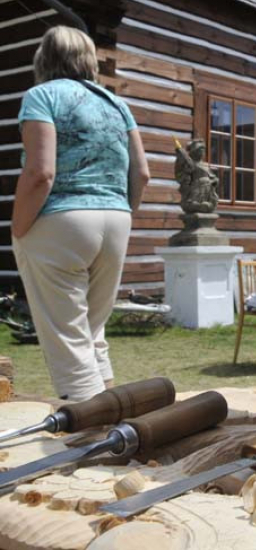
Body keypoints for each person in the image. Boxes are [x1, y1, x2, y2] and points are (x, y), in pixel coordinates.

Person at [12, 25, 151, 401]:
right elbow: (141, 172)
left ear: (45, 58)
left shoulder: (41, 96)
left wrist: (18, 228)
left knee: (69, 339)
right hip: (115, 218)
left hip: (63, 219)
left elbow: (41, 173)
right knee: (92, 331)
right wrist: (123, 213)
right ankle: (113, 419)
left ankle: (89, 441)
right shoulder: (116, 103)